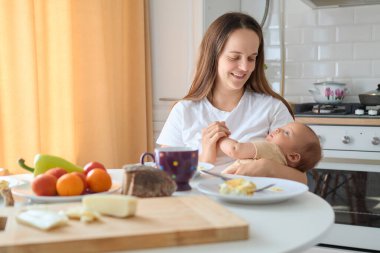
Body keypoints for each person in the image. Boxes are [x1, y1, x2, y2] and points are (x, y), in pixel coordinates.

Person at [156, 12, 306, 184]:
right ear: (213, 56)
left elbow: (302, 179)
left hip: (256, 206)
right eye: (234, 57)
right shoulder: (184, 111)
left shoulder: (272, 108)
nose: (244, 67)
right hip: (200, 205)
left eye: (251, 58)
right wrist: (206, 158)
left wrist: (267, 167)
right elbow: (166, 177)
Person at [219, 122, 322, 174]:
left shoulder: (271, 149)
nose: (277, 129)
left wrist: (220, 138)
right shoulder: (283, 167)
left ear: (293, 157)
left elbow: (235, 149)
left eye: (286, 132)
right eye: (282, 127)